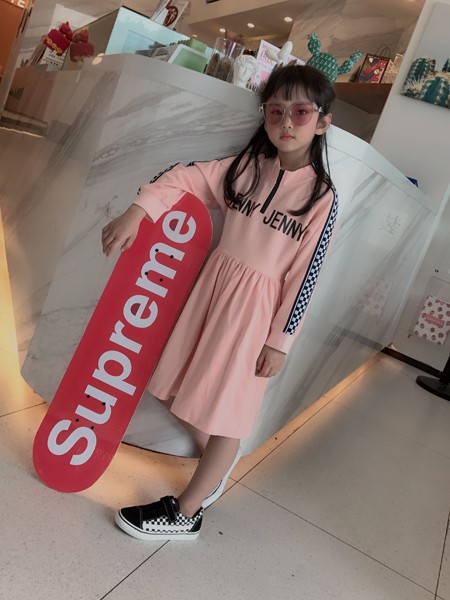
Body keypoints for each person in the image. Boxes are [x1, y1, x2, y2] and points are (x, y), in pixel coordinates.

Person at [101, 64, 338, 541]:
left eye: (300, 112)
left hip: (256, 312)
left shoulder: (321, 197)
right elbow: (182, 178)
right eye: (275, 111)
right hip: (212, 291)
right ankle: (218, 463)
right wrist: (138, 211)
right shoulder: (246, 168)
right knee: (174, 387)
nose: (286, 122)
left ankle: (187, 512)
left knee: (228, 412)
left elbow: (304, 278)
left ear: (322, 121)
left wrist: (279, 342)